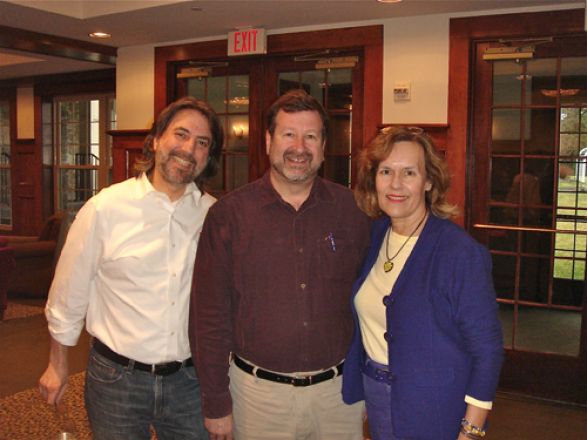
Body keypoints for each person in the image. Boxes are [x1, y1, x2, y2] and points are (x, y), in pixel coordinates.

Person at [189, 89, 371, 440]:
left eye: (311, 136)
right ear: (269, 140)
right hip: (258, 398)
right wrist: (215, 402)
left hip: (339, 396)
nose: (299, 147)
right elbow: (208, 316)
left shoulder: (354, 211)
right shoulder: (229, 215)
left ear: (323, 146)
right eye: (289, 134)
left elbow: (374, 300)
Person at [38, 97, 223, 440]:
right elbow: (68, 293)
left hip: (189, 382)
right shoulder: (105, 208)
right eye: (180, 135)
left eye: (202, 142)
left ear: (208, 157)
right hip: (116, 381)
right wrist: (57, 363)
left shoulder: (216, 216)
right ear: (155, 140)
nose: (188, 148)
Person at [342, 126, 504, 440]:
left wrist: (471, 430)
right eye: (386, 171)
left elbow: (488, 350)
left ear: (429, 181)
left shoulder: (459, 253)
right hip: (378, 396)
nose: (395, 184)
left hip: (435, 407)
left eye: (409, 173)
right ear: (373, 178)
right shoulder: (377, 235)